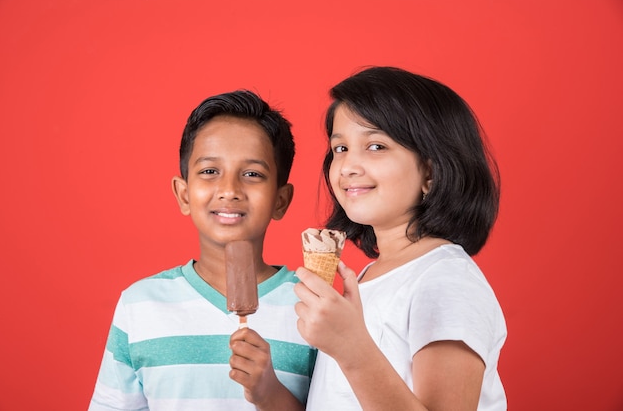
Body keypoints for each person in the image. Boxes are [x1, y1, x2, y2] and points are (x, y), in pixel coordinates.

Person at [294, 66, 507, 410]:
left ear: (431, 171)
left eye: (376, 146)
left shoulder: (445, 280)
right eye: (340, 148)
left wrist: (351, 348)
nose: (347, 166)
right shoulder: (369, 278)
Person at [89, 90, 316, 411]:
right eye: (210, 171)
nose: (229, 190)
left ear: (281, 200)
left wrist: (270, 394)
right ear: (183, 194)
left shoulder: (313, 308)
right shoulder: (139, 305)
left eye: (252, 174)